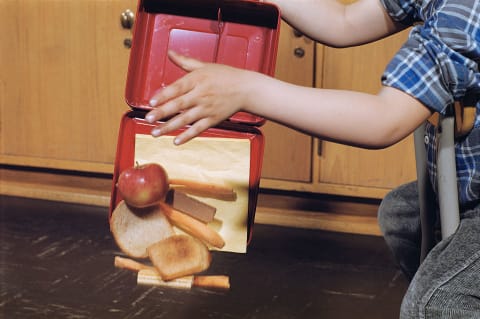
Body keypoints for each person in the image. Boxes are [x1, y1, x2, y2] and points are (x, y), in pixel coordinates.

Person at [144, 0, 480, 317]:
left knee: (436, 302)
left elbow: (385, 119)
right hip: (463, 182)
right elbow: (343, 23)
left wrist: (248, 91)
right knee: (401, 218)